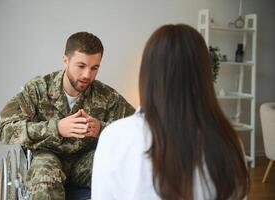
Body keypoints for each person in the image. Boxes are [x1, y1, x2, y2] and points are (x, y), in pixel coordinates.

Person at [92, 24, 250, 200]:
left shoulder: (116, 137)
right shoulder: (230, 141)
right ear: (205, 75)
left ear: (147, 74)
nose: (87, 74)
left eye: (94, 67)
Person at [0, 32, 135, 200]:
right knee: (44, 180)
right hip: (48, 156)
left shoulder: (106, 96)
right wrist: (56, 128)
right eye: (81, 66)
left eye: (94, 68)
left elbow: (136, 129)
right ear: (65, 61)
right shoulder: (37, 89)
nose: (87, 75)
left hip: (84, 161)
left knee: (124, 168)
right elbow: (4, 130)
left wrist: (101, 128)